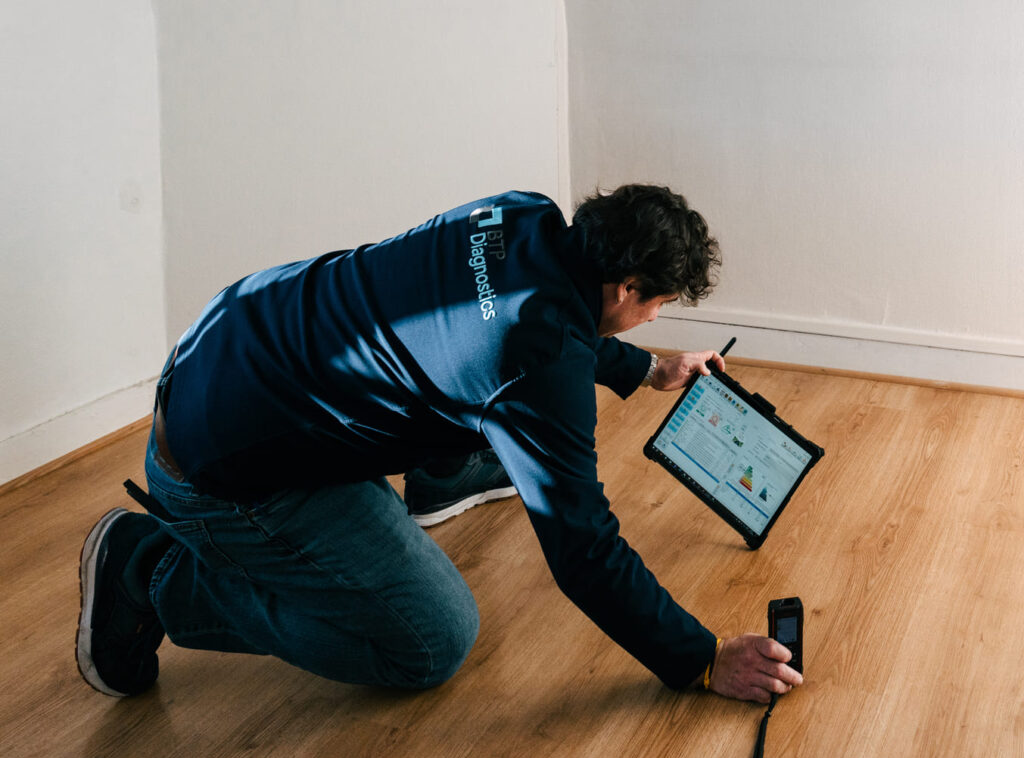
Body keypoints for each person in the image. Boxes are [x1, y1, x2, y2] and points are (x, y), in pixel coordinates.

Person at [76, 184, 802, 704]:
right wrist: (700, 658)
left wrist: (648, 369)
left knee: (457, 379)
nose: (652, 319)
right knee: (431, 641)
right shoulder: (536, 361)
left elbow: (524, 329)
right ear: (626, 286)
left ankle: (440, 474)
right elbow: (585, 551)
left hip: (224, 354)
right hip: (222, 472)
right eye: (656, 308)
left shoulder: (521, 213)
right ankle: (151, 574)